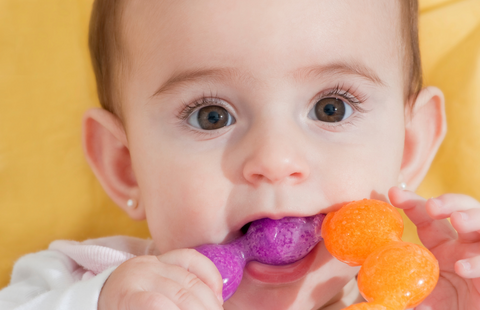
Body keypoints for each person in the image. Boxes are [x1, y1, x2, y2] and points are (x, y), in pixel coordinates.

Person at [1, 0, 479, 309]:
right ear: (125, 166)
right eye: (211, 115)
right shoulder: (91, 278)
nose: (274, 159)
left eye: (330, 109)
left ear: (409, 145)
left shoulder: (426, 296)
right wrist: (103, 302)